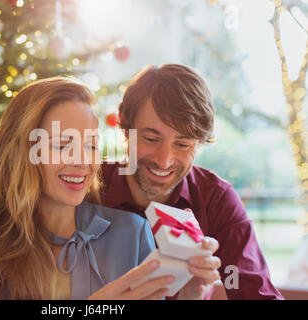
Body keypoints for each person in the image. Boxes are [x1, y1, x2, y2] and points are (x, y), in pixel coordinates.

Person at [0, 76, 219, 300]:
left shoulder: (132, 234)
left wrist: (190, 297)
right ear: (23, 152)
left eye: (91, 146)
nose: (82, 161)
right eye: (62, 145)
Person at [100, 64, 284, 300]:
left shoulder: (216, 200)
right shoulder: (87, 186)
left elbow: (255, 292)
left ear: (199, 144)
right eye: (150, 138)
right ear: (125, 127)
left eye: (183, 144)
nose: (164, 161)